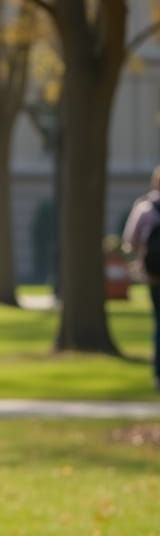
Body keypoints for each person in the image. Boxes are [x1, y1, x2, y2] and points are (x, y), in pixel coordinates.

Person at [121, 165, 160, 390]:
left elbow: (130, 240)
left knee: (159, 323)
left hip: (154, 275)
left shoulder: (145, 208)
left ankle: (158, 373)